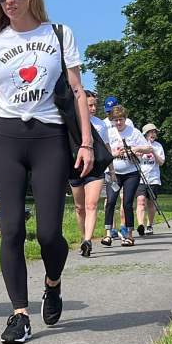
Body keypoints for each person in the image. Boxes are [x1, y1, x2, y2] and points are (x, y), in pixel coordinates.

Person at [0, 0, 93, 344]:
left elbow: (77, 91)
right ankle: (19, 313)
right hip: (7, 140)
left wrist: (86, 142)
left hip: (49, 139)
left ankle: (52, 284)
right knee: (12, 230)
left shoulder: (58, 33)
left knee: (49, 233)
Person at [100, 105, 154, 247]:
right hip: (112, 173)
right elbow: (103, 152)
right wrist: (115, 154)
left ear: (125, 119)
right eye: (116, 120)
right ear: (112, 120)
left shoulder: (133, 132)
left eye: (121, 120)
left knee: (127, 203)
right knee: (110, 202)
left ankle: (129, 235)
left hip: (131, 173)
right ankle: (107, 234)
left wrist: (133, 149)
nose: (118, 123)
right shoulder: (109, 133)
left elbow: (148, 148)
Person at [70, 90, 109, 257]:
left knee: (91, 204)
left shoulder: (100, 124)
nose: (93, 108)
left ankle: (87, 240)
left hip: (96, 167)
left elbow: (106, 146)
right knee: (80, 208)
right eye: (89, 105)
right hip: (76, 166)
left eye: (94, 105)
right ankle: (83, 236)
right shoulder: (71, 122)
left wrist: (111, 169)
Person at [135, 123, 166, 235]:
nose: (153, 134)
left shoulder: (158, 146)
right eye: (150, 132)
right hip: (140, 178)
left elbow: (161, 162)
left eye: (154, 132)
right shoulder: (139, 145)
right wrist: (141, 152)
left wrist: (153, 151)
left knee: (151, 203)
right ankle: (140, 225)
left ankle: (149, 225)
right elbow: (134, 159)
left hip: (153, 179)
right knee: (141, 200)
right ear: (145, 134)